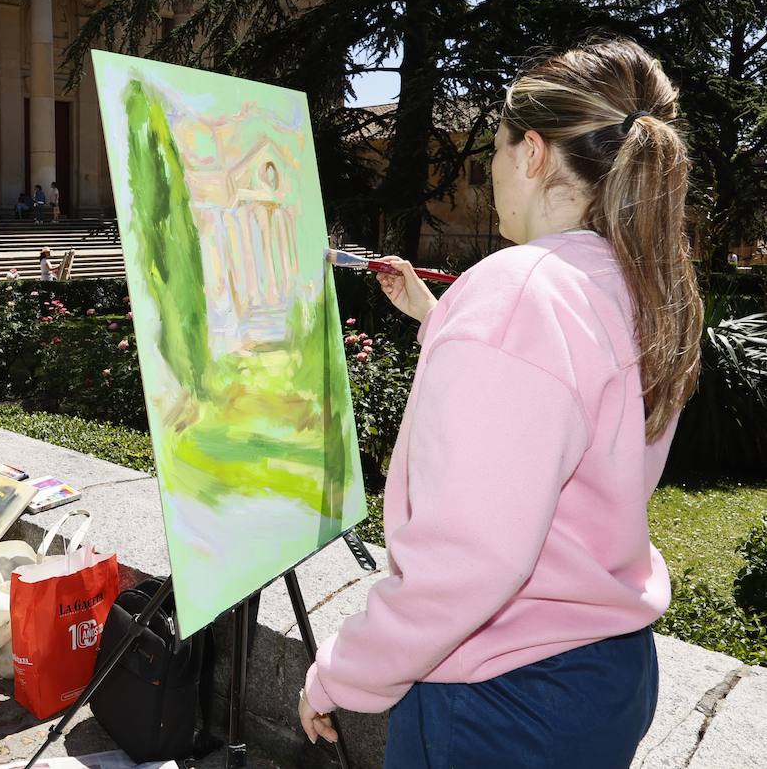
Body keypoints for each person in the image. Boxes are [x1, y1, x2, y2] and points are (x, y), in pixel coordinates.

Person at [299, 40, 702, 768]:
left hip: (501, 696)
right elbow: (568, 404)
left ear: (535, 153)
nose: (490, 171)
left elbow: (468, 560)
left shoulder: (518, 291)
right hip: (604, 676)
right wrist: (440, 319)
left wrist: (341, 672)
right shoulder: (638, 282)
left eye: (496, 149)